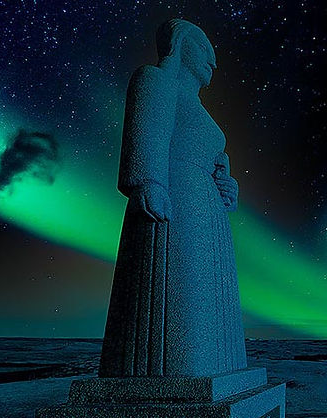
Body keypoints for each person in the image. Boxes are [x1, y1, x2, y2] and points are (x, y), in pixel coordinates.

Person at [100, 19, 247, 377]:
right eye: (206, 50)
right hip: (176, 196)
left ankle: (216, 367)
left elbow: (215, 163)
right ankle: (176, 371)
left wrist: (227, 185)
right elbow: (146, 133)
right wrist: (148, 182)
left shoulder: (199, 110)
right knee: (179, 293)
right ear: (182, 44)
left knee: (208, 297)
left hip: (206, 208)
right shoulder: (155, 80)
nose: (214, 62)